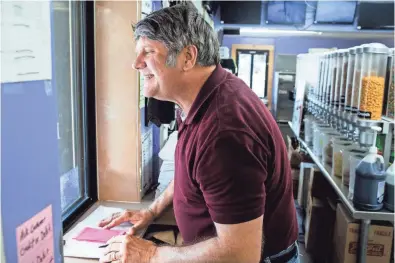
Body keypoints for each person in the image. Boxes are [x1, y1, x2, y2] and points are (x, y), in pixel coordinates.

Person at [98, 3, 298, 263]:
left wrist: (149, 255)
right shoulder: (201, 98)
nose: (136, 63)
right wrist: (152, 211)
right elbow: (187, 170)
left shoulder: (222, 131)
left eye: (148, 52)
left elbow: (241, 254)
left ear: (187, 58)